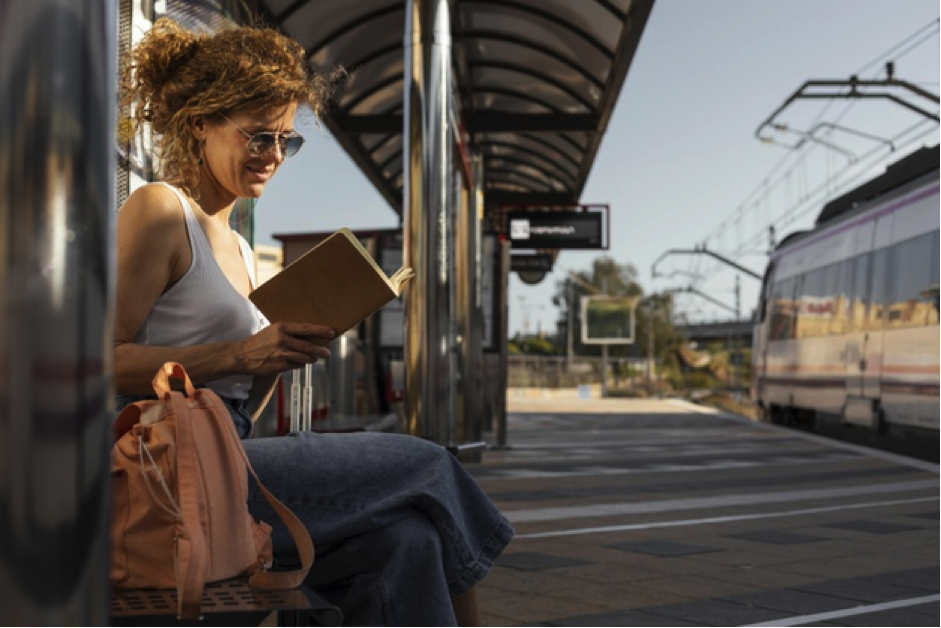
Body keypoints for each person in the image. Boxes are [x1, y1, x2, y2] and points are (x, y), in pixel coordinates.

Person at [114, 17, 513, 627]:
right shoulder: (161, 211)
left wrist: (286, 348)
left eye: (286, 141)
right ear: (200, 123)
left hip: (235, 449)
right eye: (258, 138)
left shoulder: (242, 250)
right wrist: (243, 353)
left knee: (409, 540)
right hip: (177, 467)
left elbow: (247, 385)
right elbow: (100, 362)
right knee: (429, 465)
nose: (273, 156)